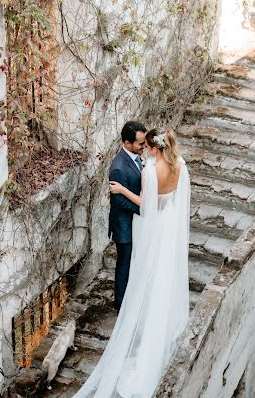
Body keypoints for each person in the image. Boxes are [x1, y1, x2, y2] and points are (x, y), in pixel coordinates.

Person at [73, 129, 190, 398]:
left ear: (154, 148)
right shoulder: (180, 166)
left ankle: (145, 314)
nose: (145, 151)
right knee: (165, 270)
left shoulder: (151, 171)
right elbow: (175, 200)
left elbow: (146, 205)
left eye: (147, 148)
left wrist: (123, 188)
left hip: (156, 226)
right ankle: (164, 312)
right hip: (170, 224)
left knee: (148, 268)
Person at [108, 121, 147, 312]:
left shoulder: (136, 157)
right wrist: (143, 209)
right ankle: (120, 304)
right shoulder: (118, 167)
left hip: (135, 222)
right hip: (124, 226)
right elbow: (118, 202)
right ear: (127, 143)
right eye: (140, 143)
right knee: (124, 264)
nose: (144, 146)